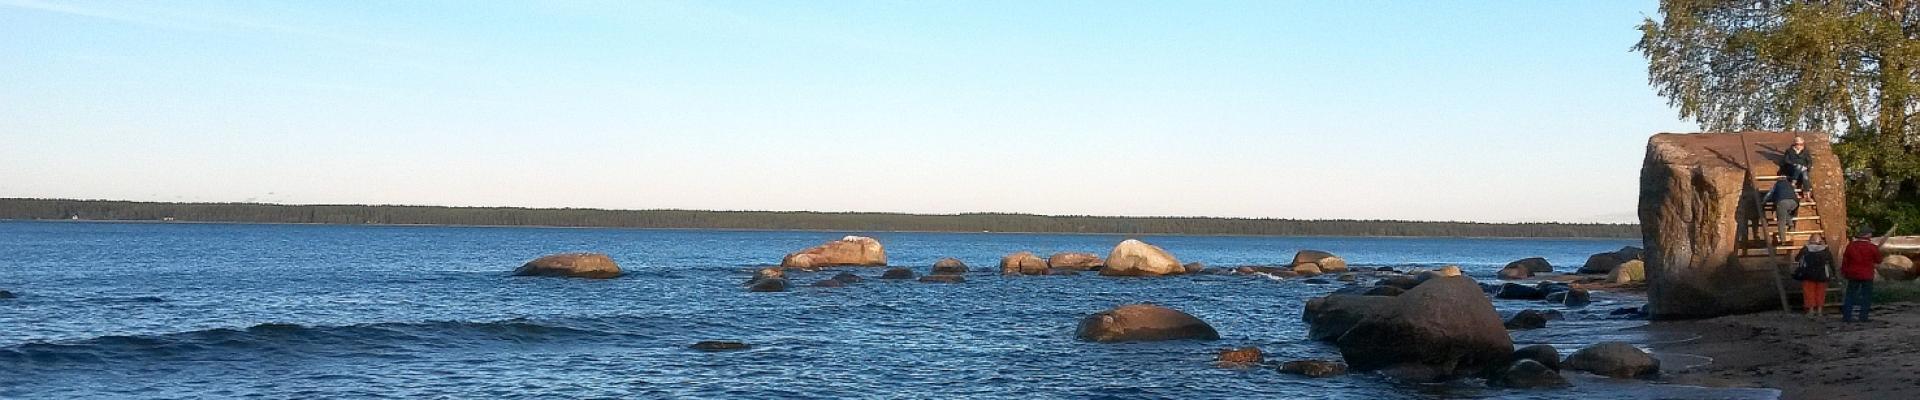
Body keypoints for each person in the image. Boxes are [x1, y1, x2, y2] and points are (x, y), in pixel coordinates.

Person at [1841, 228, 1886, 322]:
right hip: (1867, 275)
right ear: (1868, 235)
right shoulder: (1872, 247)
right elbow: (1879, 260)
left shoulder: (1851, 246)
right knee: (1866, 296)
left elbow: (1845, 261)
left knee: (1850, 296)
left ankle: (1847, 316)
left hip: (1853, 274)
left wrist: (1844, 272)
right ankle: (1863, 317)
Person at [1794, 235, 1833, 315]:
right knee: (1821, 293)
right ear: (1820, 241)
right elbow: (1831, 262)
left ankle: (1811, 310)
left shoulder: (1806, 249)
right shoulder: (1825, 250)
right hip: (1822, 274)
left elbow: (1797, 258)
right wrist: (1834, 273)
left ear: (1810, 240)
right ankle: (1819, 310)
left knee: (1809, 292)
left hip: (1808, 274)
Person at [1782, 136, 1813, 201]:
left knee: (1805, 176)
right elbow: (1786, 160)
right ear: (1794, 144)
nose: (1799, 146)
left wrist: (1807, 167)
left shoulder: (1805, 151)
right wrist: (1794, 164)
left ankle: (1807, 195)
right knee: (1799, 167)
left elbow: (1809, 161)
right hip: (1792, 169)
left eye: (1801, 144)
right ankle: (1793, 182)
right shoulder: (1789, 151)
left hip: (1803, 169)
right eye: (1797, 144)